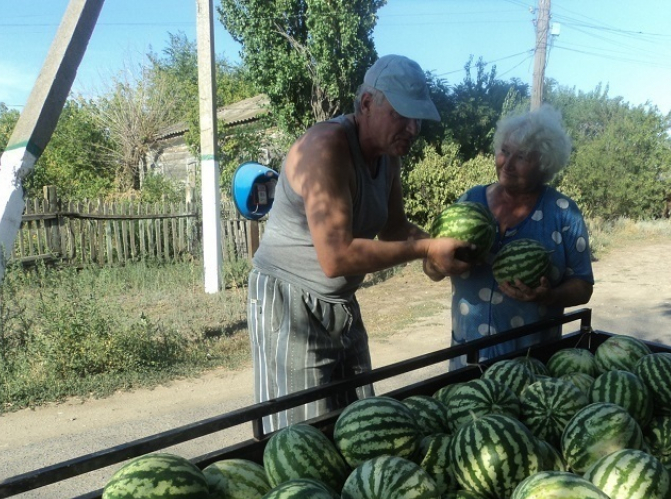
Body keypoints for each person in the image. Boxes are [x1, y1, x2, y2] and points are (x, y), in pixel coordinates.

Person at [248, 54, 472, 434]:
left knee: (362, 426)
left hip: (340, 305)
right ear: (367, 103)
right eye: (403, 114)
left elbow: (395, 229)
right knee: (301, 436)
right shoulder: (327, 146)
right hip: (290, 303)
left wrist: (438, 251)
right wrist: (423, 250)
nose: (413, 127)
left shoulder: (387, 156)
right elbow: (337, 257)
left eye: (418, 118)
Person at [425, 105, 595, 369]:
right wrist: (436, 264)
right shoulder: (471, 201)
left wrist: (549, 296)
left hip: (531, 363)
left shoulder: (563, 213)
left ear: (544, 163)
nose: (508, 164)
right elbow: (431, 267)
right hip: (468, 357)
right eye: (504, 151)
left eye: (522, 157)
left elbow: (583, 286)